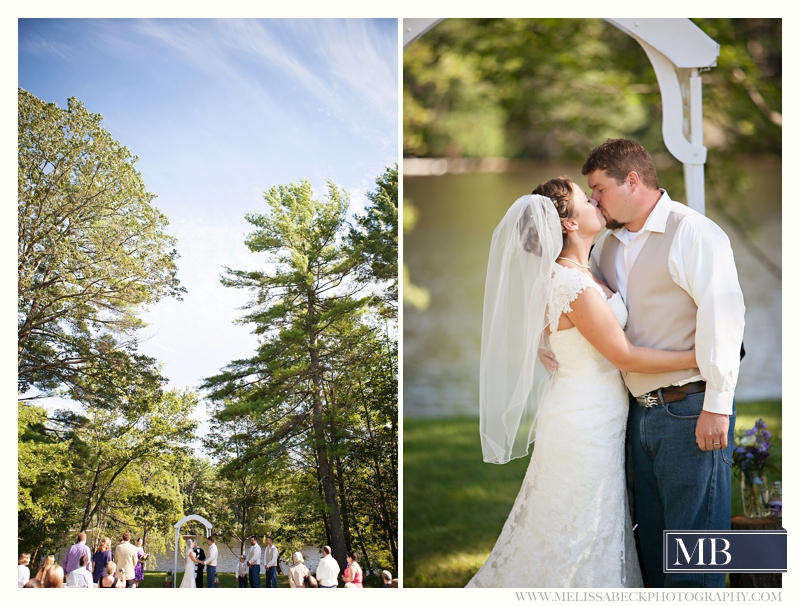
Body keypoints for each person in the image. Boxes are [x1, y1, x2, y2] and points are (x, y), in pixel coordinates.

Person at [467, 176, 700, 588]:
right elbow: (623, 355)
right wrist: (704, 357)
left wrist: (543, 338)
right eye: (584, 197)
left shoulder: (580, 272)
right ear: (570, 224)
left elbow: (566, 331)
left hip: (597, 415)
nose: (595, 200)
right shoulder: (573, 284)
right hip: (583, 423)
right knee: (580, 528)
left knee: (593, 523)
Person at [582, 138, 744, 587]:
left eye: (598, 189)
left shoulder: (693, 231)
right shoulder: (606, 247)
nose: (594, 201)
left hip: (691, 409)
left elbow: (726, 318)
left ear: (632, 180)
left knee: (694, 555)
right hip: (639, 417)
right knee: (651, 554)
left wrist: (718, 406)